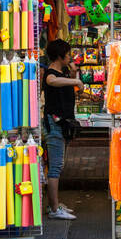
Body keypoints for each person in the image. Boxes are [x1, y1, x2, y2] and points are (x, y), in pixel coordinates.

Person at [41, 38, 84, 221]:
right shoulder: (51, 73)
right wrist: (73, 81)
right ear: (60, 56)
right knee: (55, 167)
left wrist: (75, 77)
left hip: (63, 125)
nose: (70, 57)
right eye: (68, 55)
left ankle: (55, 203)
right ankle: (54, 208)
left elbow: (74, 90)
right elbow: (51, 81)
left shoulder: (64, 72)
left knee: (58, 165)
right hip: (55, 125)